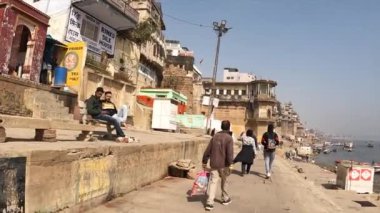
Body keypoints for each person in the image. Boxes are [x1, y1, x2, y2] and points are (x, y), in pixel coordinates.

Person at [202, 120, 234, 211]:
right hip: (224, 165)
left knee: (213, 182)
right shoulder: (229, 138)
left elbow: (208, 150)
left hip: (214, 163)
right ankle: (225, 198)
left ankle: (209, 203)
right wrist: (231, 164)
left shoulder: (215, 136)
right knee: (224, 181)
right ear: (229, 127)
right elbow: (229, 153)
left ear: (221, 126)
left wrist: (204, 161)